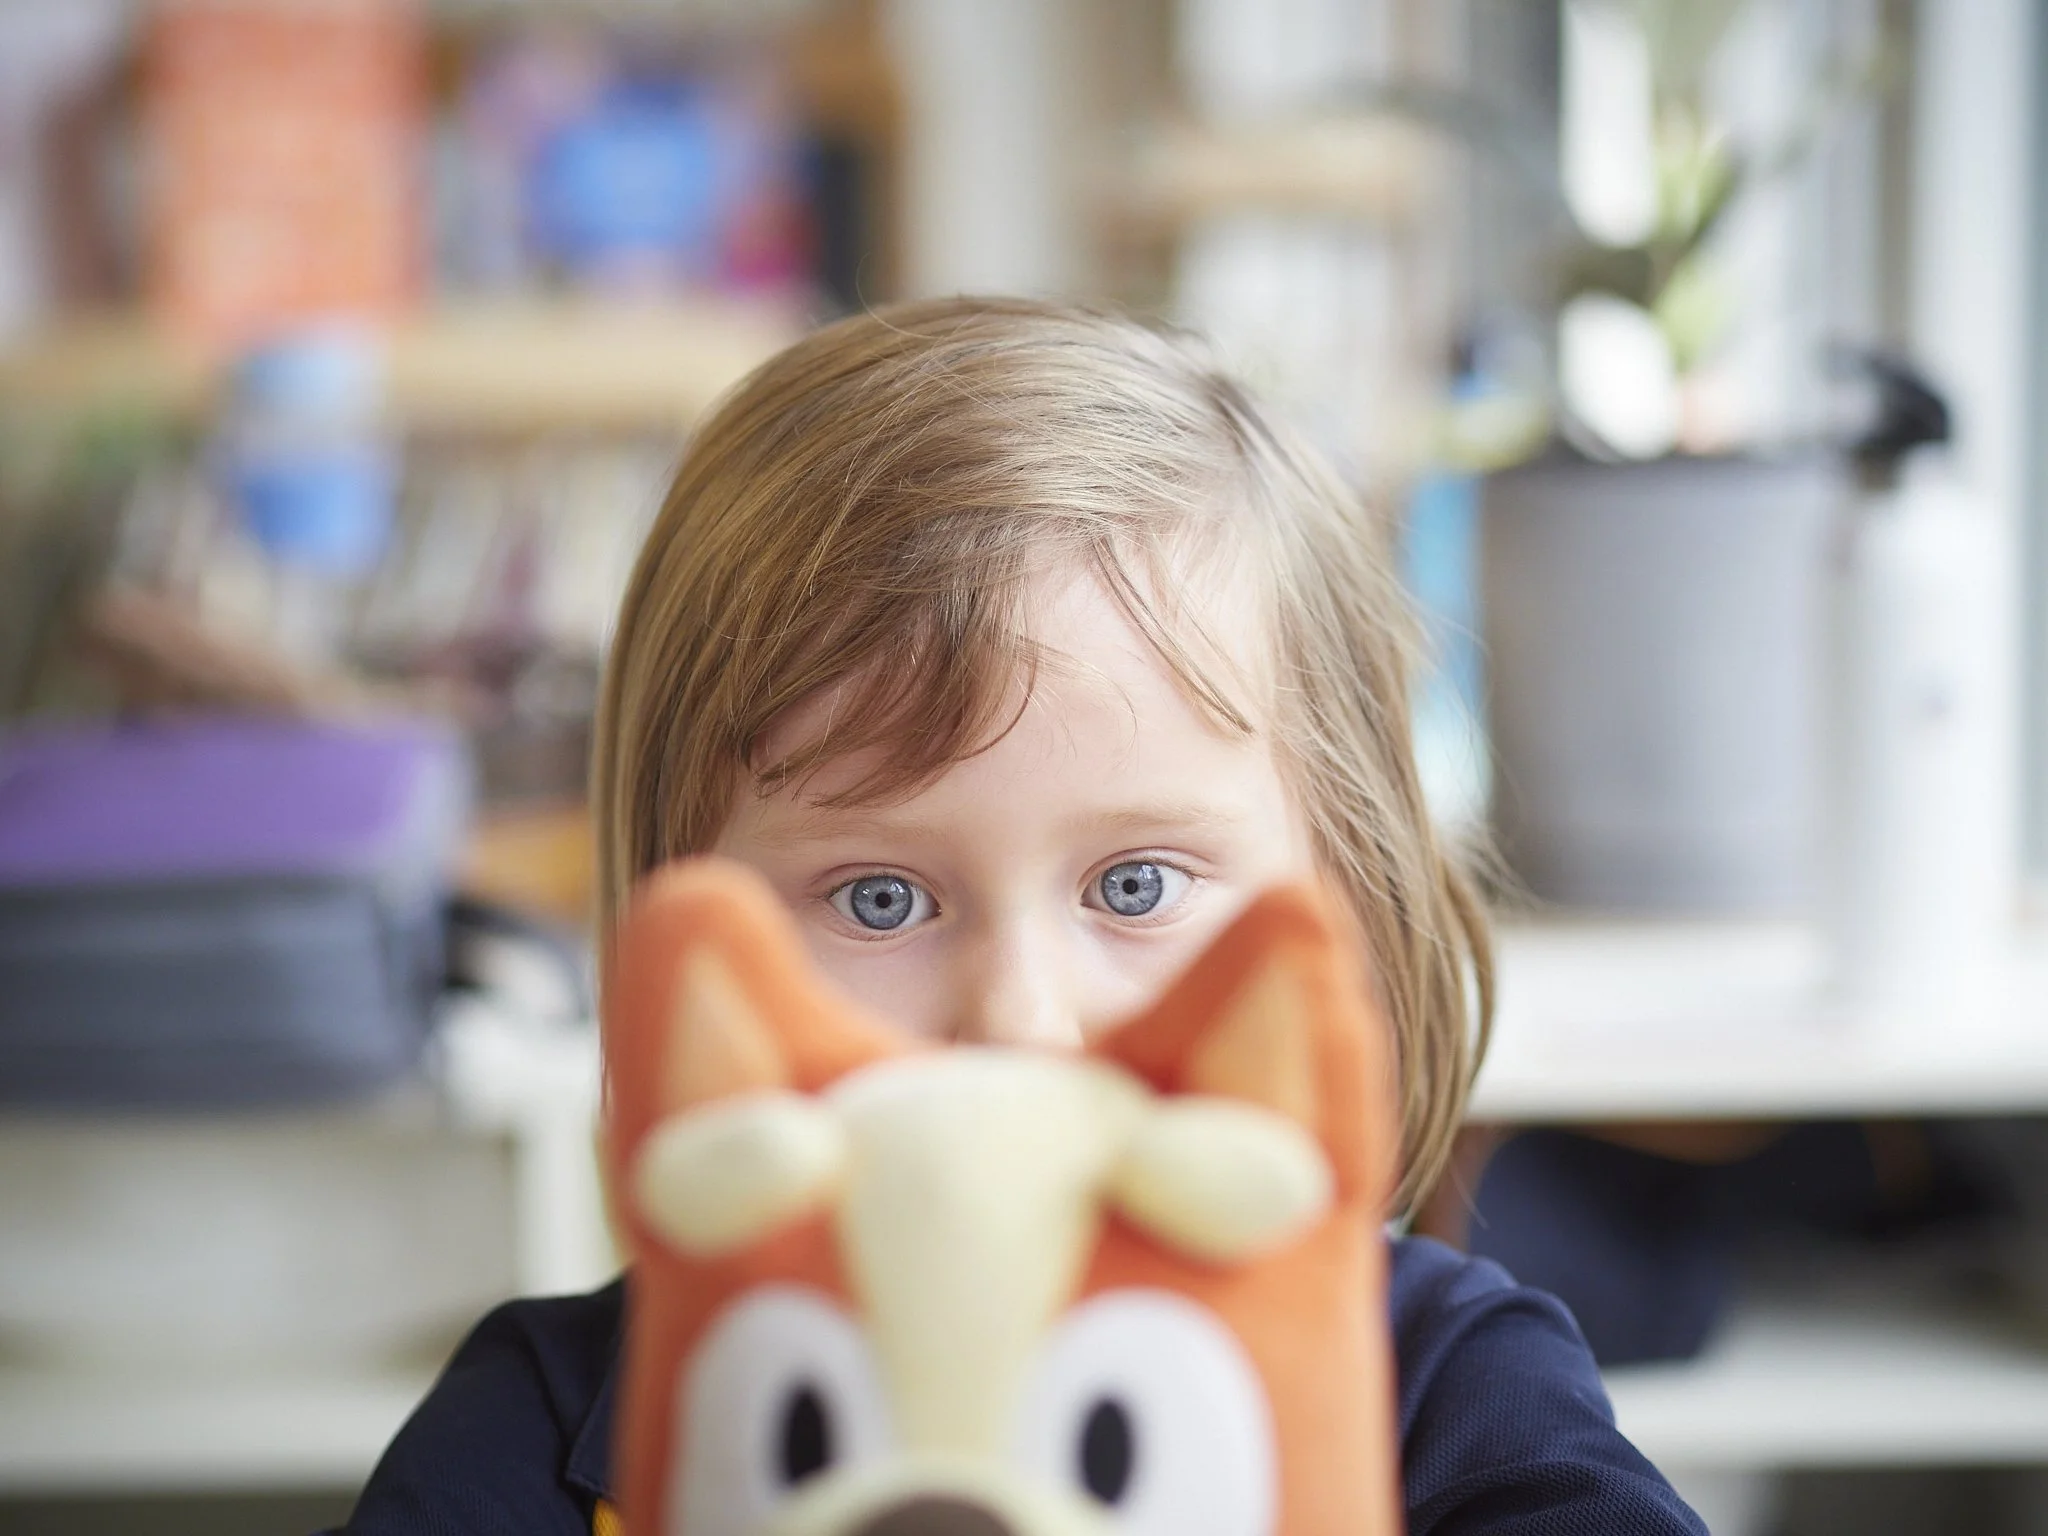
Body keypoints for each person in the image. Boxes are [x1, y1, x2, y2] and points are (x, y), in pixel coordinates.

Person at [334, 298, 1705, 1535]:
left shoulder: (1443, 1381)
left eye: (1136, 886)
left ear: (1355, 898)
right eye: (880, 899)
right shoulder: (552, 1418)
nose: (1021, 1025)